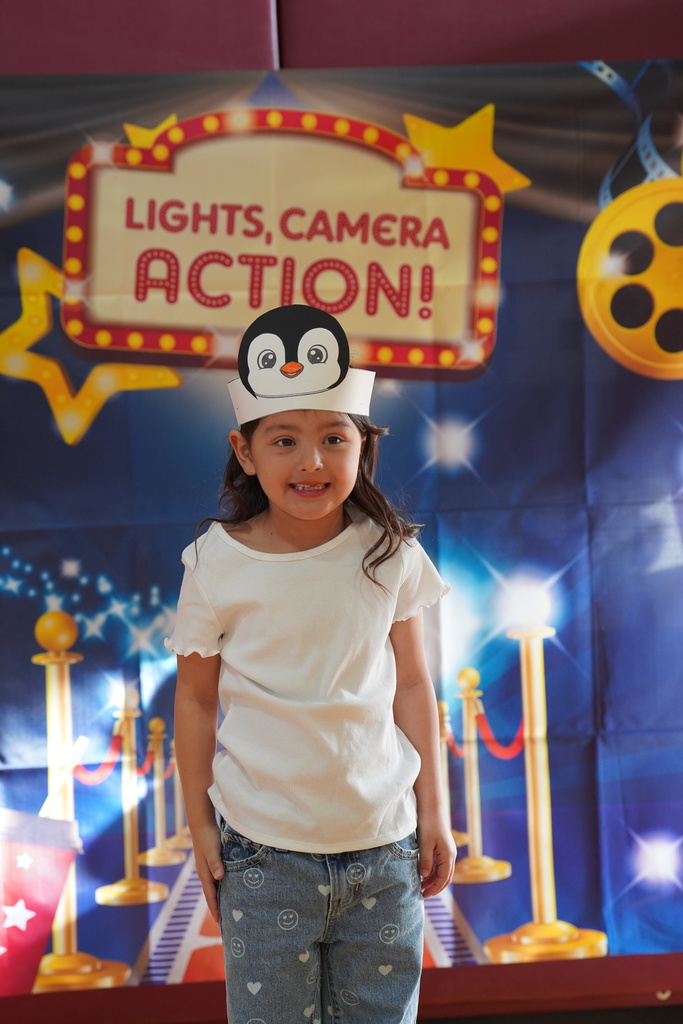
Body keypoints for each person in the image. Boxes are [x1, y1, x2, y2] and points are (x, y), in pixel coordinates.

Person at [167, 305, 456, 1024]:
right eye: (284, 440)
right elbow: (196, 701)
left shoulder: (390, 555)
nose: (312, 462)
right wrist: (200, 826)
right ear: (245, 449)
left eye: (335, 438)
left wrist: (435, 812)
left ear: (363, 446)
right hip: (264, 858)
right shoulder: (214, 563)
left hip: (384, 851)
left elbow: (416, 687)